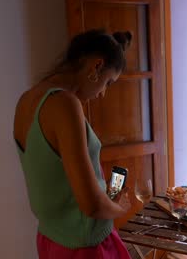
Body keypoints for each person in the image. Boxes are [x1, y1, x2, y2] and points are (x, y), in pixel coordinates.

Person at [13, 29, 133, 258]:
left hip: (51, 238)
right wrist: (121, 208)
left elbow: (54, 176)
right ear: (96, 67)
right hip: (84, 246)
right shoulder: (65, 105)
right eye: (108, 82)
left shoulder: (26, 100)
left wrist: (101, 190)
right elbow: (92, 206)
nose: (103, 93)